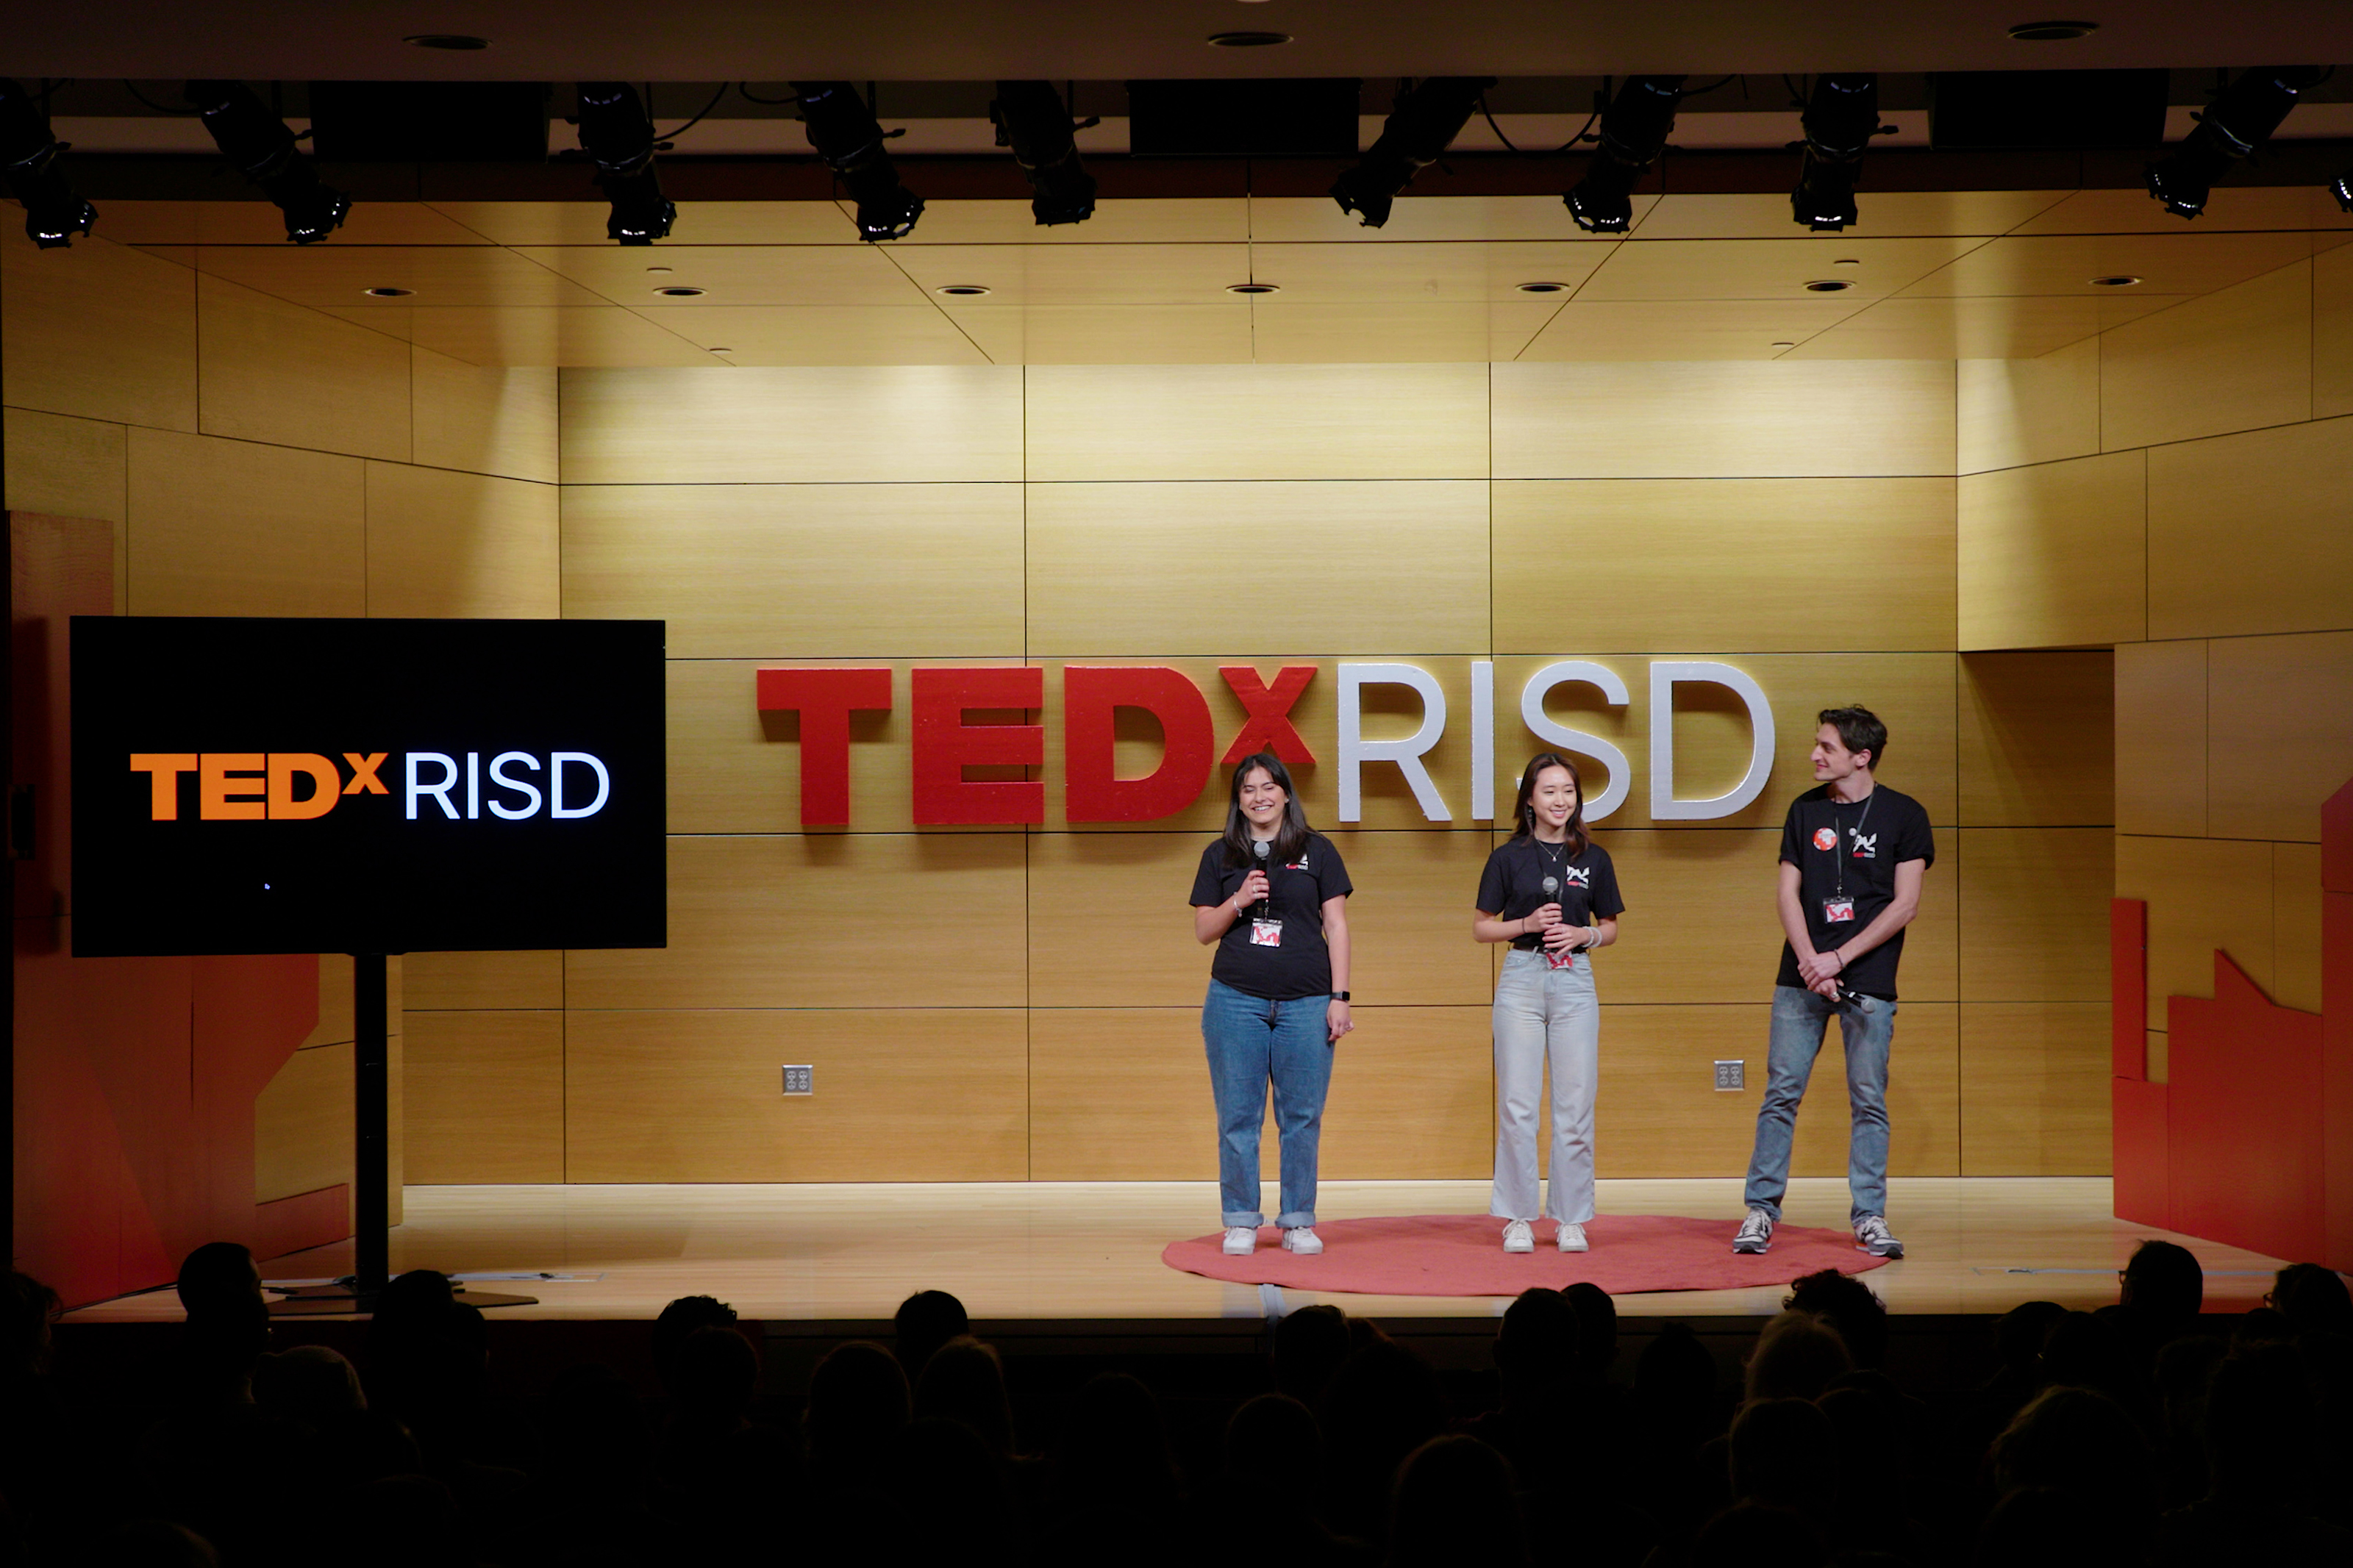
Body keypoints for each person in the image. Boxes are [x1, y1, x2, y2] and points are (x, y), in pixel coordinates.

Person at [1733, 706, 1932, 1261]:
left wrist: (1838, 957)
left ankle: (1869, 1215)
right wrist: (1810, 962)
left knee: (1868, 1098)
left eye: (1827, 746)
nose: (1815, 754)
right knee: (1781, 1093)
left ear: (1860, 756)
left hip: (1867, 977)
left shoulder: (1904, 814)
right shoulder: (1805, 810)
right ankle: (1760, 1210)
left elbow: (1906, 903)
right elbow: (1786, 894)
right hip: (1800, 978)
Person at [1190, 751, 1354, 1257]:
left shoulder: (1318, 850)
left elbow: (1338, 926)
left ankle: (1297, 1220)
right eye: (1248, 790)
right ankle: (1241, 1218)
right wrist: (1239, 899)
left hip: (1306, 1001)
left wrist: (1340, 997)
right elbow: (1203, 930)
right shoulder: (1221, 854)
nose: (1259, 797)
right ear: (1238, 801)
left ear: (1286, 793)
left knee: (1301, 1116)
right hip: (1236, 999)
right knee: (1238, 1116)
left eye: (1268, 787)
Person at [1473, 752, 1622, 1253]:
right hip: (1521, 976)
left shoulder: (1593, 857)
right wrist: (1527, 925)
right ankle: (1517, 1216)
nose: (1561, 800)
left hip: (1575, 979)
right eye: (1550, 791)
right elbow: (1481, 927)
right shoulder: (1507, 856)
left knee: (1575, 1104)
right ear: (1530, 800)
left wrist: (1587, 934)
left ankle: (1571, 1217)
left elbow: (1612, 927)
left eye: (1569, 791)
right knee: (1518, 1106)